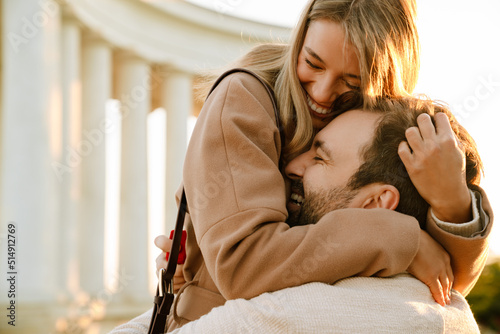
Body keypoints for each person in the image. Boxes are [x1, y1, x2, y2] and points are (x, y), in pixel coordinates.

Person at [112, 0, 493, 332]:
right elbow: (244, 266)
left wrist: (452, 202)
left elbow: (446, 282)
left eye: (351, 81)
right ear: (298, 40)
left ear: (383, 81)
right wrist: (400, 238)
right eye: (312, 63)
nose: (323, 94)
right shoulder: (244, 100)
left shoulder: (377, 125)